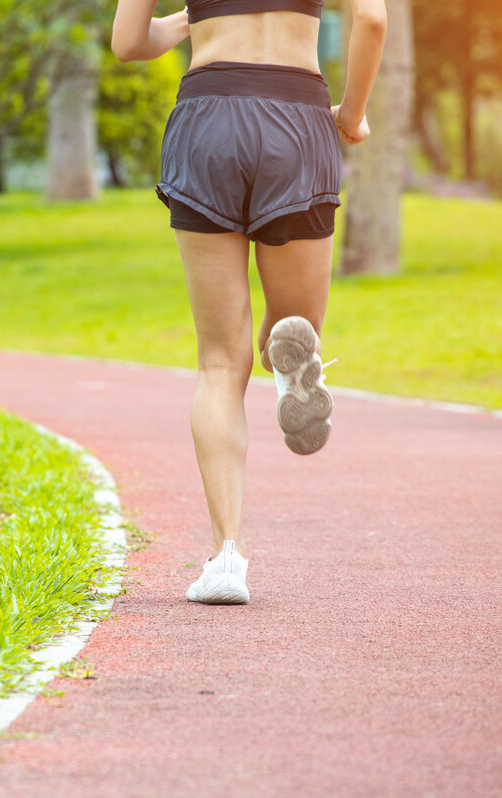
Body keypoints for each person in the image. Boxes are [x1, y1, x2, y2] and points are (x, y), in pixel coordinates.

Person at [111, 0, 387, 604]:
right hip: (297, 117)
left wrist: (193, 18)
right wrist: (355, 116)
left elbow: (129, 42)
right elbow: (370, 19)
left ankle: (225, 558)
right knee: (294, 327)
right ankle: (289, 357)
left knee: (219, 362)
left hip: (208, 118)